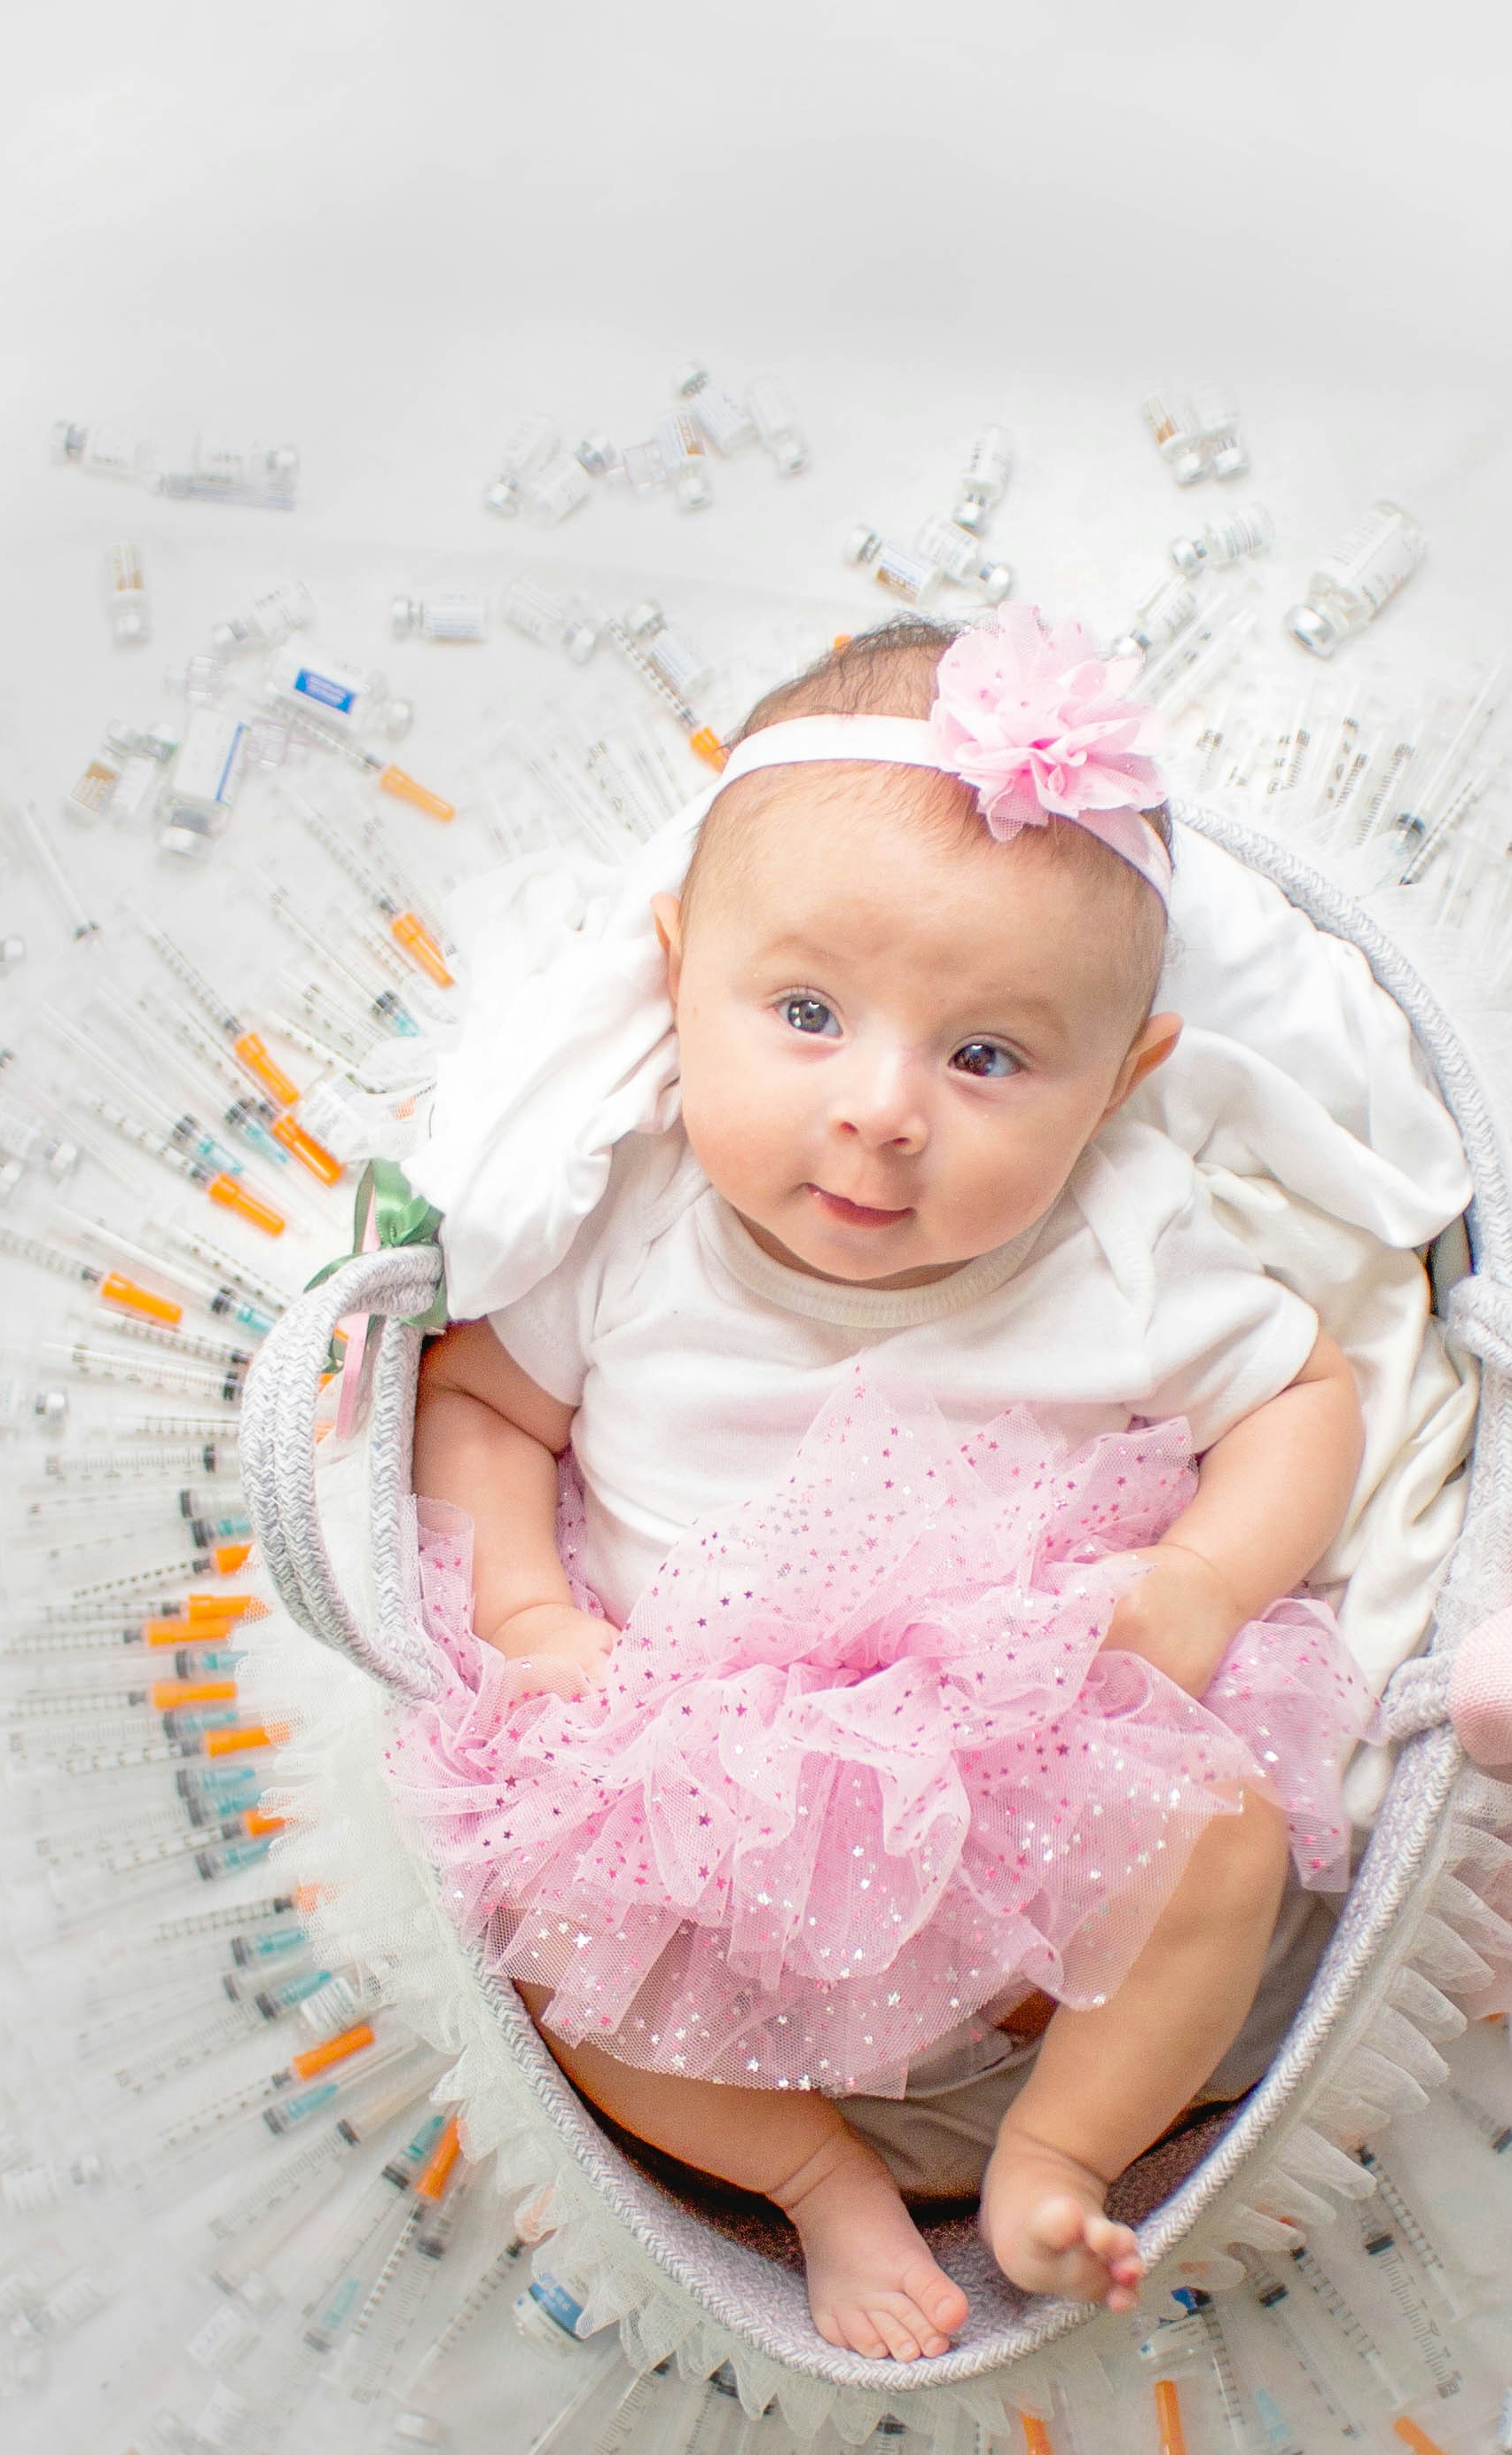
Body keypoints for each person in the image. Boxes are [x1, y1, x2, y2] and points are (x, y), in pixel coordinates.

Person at [391, 608, 1367, 2360]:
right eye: (808, 1015)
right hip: (691, 1768)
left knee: (1224, 1835)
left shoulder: (1127, 1246)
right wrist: (534, 1622)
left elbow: (1305, 1395)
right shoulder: (629, 1227)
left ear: (1118, 1086)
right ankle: (817, 2180)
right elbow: (475, 1407)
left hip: (1026, 1766)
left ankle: (1058, 2154)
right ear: (677, 978)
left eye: (987, 1056)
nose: (884, 1110)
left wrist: (1211, 1584)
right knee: (542, 1938)